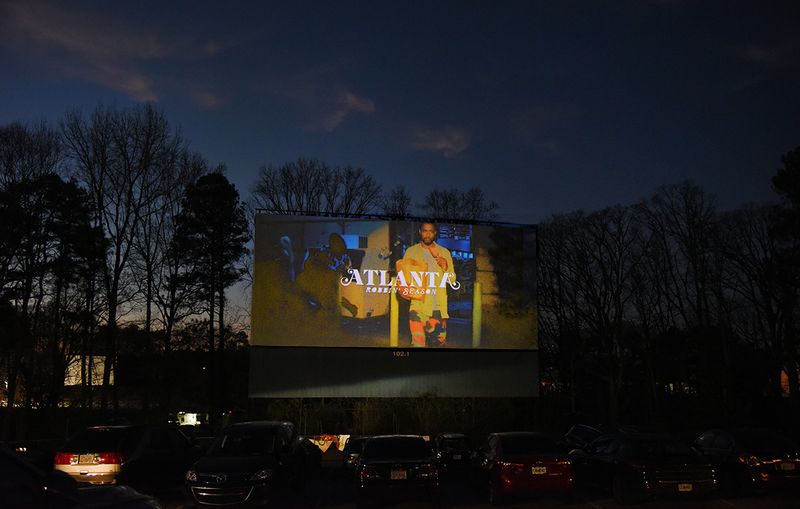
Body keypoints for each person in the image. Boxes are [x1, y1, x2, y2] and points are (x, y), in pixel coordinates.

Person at [400, 223, 456, 347]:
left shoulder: (444, 252)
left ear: (435, 233)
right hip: (417, 306)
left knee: (438, 344)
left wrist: (445, 267)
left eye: (431, 231)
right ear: (420, 232)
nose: (428, 234)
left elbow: (452, 280)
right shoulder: (411, 251)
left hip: (437, 307)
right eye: (425, 231)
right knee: (418, 344)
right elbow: (403, 277)